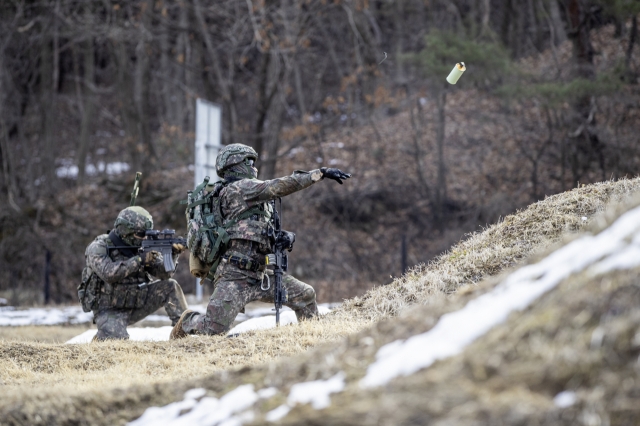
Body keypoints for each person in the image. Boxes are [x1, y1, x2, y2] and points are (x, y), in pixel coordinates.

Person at [170, 143, 350, 338]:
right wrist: (319, 173)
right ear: (236, 164)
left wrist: (280, 239)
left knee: (305, 295)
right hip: (235, 275)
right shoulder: (239, 188)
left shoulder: (253, 199)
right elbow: (279, 186)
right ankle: (188, 320)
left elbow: (250, 233)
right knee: (213, 330)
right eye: (249, 161)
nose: (254, 166)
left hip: (260, 275)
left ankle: (314, 340)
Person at [80, 206, 188, 340]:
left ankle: (183, 333)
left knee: (171, 286)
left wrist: (173, 253)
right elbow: (109, 274)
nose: (145, 238)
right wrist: (139, 260)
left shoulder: (141, 245)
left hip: (138, 301)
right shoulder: (98, 247)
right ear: (126, 232)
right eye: (141, 234)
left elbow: (163, 274)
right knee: (115, 344)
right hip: (109, 309)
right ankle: (102, 337)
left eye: (147, 234)